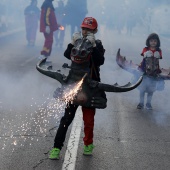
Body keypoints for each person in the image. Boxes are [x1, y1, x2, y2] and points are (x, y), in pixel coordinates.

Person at [49, 17, 106, 159]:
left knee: (88, 121)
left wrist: (93, 47)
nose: (85, 32)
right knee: (66, 119)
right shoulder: (77, 43)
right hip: (73, 85)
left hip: (90, 87)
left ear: (95, 31)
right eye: (84, 29)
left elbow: (100, 61)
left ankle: (88, 144)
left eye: (89, 29)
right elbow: (67, 55)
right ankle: (56, 147)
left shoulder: (97, 44)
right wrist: (72, 43)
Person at [137, 33, 162, 110]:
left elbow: (158, 61)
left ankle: (148, 104)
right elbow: (144, 58)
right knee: (142, 89)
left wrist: (159, 70)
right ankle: (141, 103)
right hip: (144, 72)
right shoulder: (145, 49)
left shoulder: (159, 50)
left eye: (155, 41)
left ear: (157, 42)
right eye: (151, 41)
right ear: (148, 41)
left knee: (151, 91)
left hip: (154, 73)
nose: (153, 42)